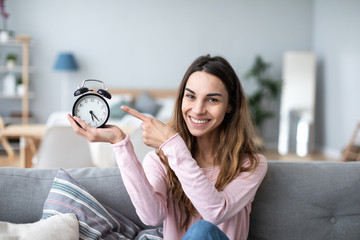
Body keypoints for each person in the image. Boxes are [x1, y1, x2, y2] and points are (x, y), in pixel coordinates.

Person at [67, 55, 267, 240]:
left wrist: (172, 144)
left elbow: (215, 213)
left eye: (212, 99)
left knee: (202, 231)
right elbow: (152, 217)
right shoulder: (161, 159)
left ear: (230, 106)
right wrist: (119, 143)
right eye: (190, 96)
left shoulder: (250, 164)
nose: (198, 109)